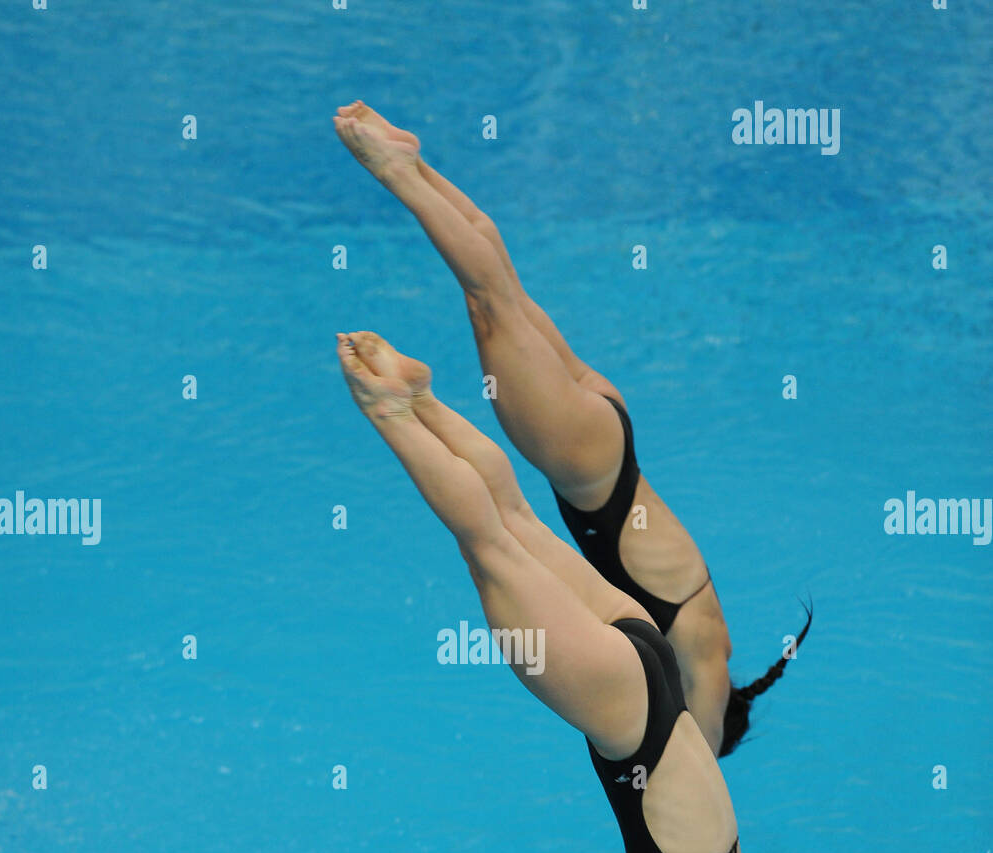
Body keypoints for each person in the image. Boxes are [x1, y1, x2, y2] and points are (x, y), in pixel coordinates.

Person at [336, 329, 791, 853]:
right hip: (624, 709)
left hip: (647, 657)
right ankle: (394, 411)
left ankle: (423, 394)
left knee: (517, 519)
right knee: (489, 544)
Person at [333, 101, 811, 758]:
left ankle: (414, 162)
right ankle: (399, 173)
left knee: (503, 288)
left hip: (606, 436)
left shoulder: (708, 628)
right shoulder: (705, 660)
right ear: (721, 709)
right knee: (491, 300)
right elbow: (688, 757)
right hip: (587, 467)